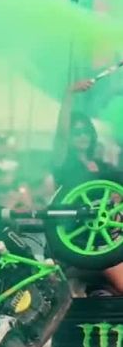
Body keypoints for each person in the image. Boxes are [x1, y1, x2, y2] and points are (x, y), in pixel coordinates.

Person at [53, 78, 123, 295]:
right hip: (84, 240)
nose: (82, 136)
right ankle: (75, 275)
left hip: (111, 236)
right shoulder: (65, 164)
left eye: (86, 131)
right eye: (77, 132)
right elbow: (61, 135)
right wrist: (68, 94)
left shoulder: (102, 166)